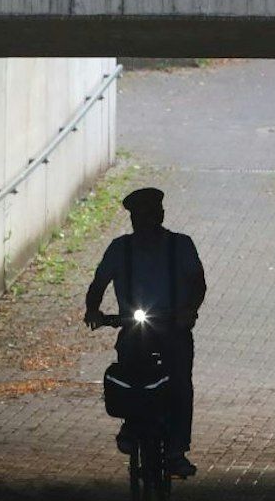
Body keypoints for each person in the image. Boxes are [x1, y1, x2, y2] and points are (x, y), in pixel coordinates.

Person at [83, 186, 207, 478]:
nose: (147, 221)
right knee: (128, 369)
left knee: (179, 382)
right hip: (135, 326)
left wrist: (188, 310)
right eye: (140, 216)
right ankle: (131, 422)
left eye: (152, 214)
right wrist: (93, 310)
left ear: (161, 215)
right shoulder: (119, 249)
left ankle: (177, 449)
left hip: (173, 326)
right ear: (133, 219)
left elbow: (198, 282)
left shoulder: (181, 245)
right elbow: (98, 284)